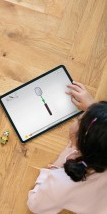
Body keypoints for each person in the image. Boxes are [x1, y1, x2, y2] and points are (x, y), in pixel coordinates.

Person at [27, 81, 107, 214]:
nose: (79, 117)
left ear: (77, 140)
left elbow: (35, 205)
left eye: (80, 118)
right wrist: (96, 112)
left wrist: (55, 167)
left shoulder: (62, 182)